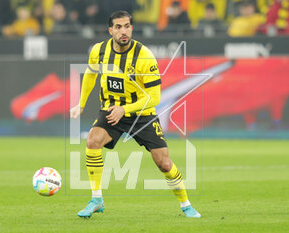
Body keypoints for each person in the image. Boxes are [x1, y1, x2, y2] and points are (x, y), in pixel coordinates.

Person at [70, 10, 201, 219]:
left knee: (163, 163)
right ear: (110, 30)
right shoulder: (99, 50)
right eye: (119, 27)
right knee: (93, 141)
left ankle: (186, 204)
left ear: (132, 28)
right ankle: (96, 199)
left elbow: (155, 97)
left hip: (142, 113)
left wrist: (126, 109)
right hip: (112, 110)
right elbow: (90, 73)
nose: (124, 31)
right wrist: (81, 104)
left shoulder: (144, 56)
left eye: (127, 26)